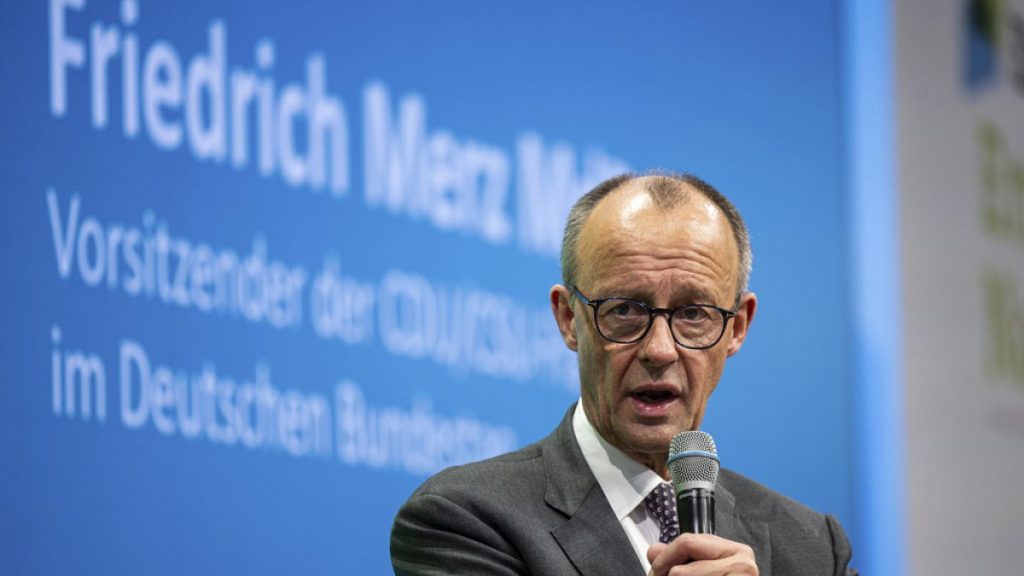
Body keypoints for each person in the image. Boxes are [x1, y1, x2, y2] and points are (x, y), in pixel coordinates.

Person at [390, 172, 856, 575]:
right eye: (625, 311)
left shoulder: (813, 547)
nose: (659, 349)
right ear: (569, 318)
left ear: (736, 328)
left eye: (694, 313)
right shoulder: (466, 520)